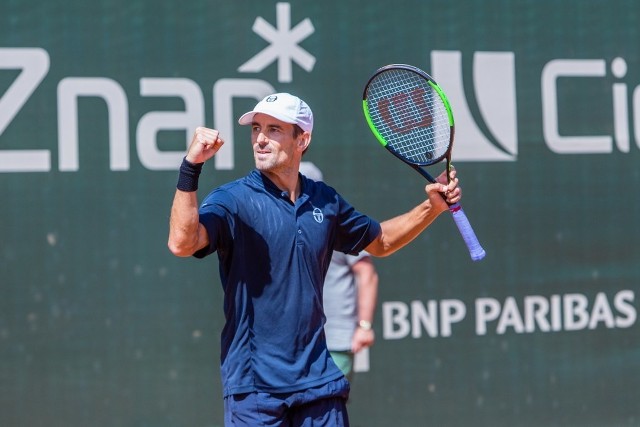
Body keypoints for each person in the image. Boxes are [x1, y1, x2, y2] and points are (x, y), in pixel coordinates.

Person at [168, 92, 461, 426]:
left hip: (319, 382)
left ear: (302, 139)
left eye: (274, 129)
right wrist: (190, 168)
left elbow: (381, 241)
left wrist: (431, 208)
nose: (261, 139)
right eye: (257, 129)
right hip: (255, 389)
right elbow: (182, 243)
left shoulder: (325, 200)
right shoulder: (232, 200)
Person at [299, 161, 378, 383]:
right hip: (293, 343)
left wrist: (364, 326)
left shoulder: (336, 223)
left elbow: (367, 274)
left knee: (326, 410)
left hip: (335, 338)